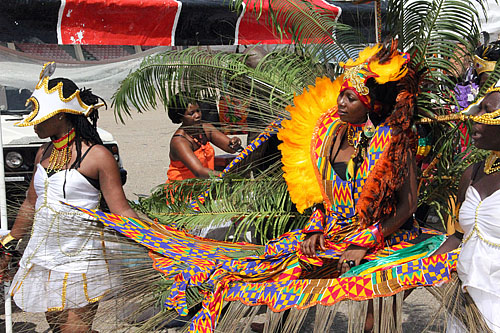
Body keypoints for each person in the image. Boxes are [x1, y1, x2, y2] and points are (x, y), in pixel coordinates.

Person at [0, 62, 139, 333]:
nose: (33, 120)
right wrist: (8, 243)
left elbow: (121, 210)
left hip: (83, 256)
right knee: (57, 327)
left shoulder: (98, 156)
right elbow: (31, 202)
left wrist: (156, 242)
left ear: (61, 115)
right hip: (44, 254)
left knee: (73, 330)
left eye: (38, 113)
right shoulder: (43, 153)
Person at [434, 87, 500, 332]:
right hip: (465, 305)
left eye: (486, 111)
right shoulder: (471, 174)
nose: (474, 116)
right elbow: (460, 235)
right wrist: (421, 266)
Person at [166, 94, 242, 181]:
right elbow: (199, 171)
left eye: (198, 111)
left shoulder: (205, 128)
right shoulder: (179, 141)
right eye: (192, 113)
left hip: (205, 184)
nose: (197, 115)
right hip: (185, 189)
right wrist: (228, 176)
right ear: (181, 117)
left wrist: (235, 142)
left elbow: (230, 148)